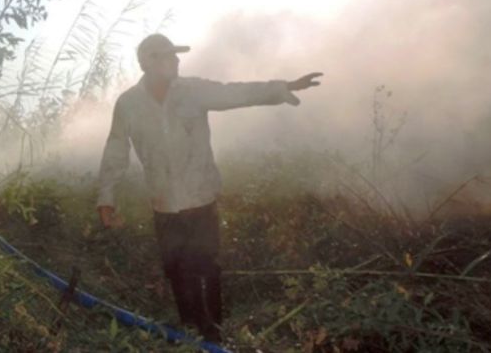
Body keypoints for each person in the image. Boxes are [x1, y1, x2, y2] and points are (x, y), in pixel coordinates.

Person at [96, 33, 322, 342]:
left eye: (176, 55)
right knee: (175, 268)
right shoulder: (128, 105)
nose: (176, 60)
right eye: (168, 55)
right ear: (148, 62)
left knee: (206, 268)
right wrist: (106, 198)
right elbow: (116, 150)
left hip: (201, 199)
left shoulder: (192, 91)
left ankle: (213, 336)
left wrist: (282, 87)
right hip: (164, 205)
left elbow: (236, 94)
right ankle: (190, 331)